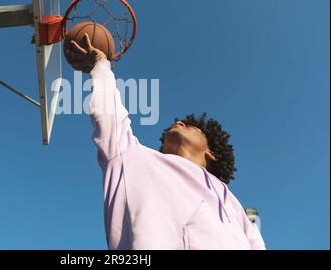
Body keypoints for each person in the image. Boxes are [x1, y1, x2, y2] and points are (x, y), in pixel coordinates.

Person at [68, 34, 266, 250]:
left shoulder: (232, 204)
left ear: (211, 153)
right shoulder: (133, 158)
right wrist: (100, 65)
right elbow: (108, 114)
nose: (179, 122)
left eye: (191, 126)